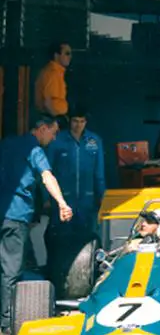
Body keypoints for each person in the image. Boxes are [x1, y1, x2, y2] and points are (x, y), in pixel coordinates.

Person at [0, 114, 72, 335]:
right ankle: (7, 323)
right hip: (15, 215)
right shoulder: (35, 150)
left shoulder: (7, 144)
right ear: (42, 129)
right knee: (11, 269)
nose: (54, 137)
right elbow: (47, 177)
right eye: (53, 132)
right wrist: (62, 203)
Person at [45, 107, 105, 268]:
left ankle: (85, 277)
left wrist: (102, 198)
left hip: (87, 200)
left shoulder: (94, 141)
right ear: (69, 120)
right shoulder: (57, 140)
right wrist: (46, 199)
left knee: (86, 240)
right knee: (60, 240)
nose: (78, 125)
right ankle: (58, 273)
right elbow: (46, 170)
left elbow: (99, 173)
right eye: (75, 121)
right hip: (63, 201)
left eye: (82, 121)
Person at [34, 42, 72, 119]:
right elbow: (48, 102)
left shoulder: (56, 72)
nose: (70, 57)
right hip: (51, 120)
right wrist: (58, 120)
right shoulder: (53, 73)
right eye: (67, 53)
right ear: (56, 55)